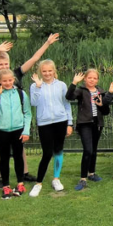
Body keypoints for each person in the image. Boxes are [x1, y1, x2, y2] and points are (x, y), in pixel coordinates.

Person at [0, 33, 59, 188]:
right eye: (0, 65)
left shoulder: (16, 74)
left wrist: (47, 43)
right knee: (2, 152)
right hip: (0, 118)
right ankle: (2, 178)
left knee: (19, 149)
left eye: (5, 64)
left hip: (17, 118)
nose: (3, 67)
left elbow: (34, 59)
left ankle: (23, 174)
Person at [0, 69, 32, 199]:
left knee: (18, 157)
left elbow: (27, 113)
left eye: (10, 80)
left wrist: (26, 130)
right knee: (4, 158)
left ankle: (20, 183)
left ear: (14, 80)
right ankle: (5, 185)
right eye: (4, 81)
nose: (7, 83)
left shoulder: (21, 93)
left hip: (18, 130)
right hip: (1, 131)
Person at [28, 60, 73, 197]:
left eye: (50, 71)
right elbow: (33, 102)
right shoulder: (35, 86)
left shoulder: (61, 85)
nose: (47, 73)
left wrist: (69, 123)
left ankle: (56, 179)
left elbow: (66, 104)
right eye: (44, 71)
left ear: (54, 71)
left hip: (61, 121)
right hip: (44, 123)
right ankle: (38, 182)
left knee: (58, 150)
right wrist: (38, 87)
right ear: (40, 72)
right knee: (47, 153)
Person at [66, 69, 109, 191]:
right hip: (85, 123)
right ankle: (83, 178)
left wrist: (102, 104)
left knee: (94, 150)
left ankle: (92, 173)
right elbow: (69, 97)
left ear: (98, 80)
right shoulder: (81, 90)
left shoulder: (100, 91)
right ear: (85, 79)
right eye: (90, 78)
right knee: (88, 150)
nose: (92, 80)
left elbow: (106, 112)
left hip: (97, 123)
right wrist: (74, 83)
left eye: (95, 78)